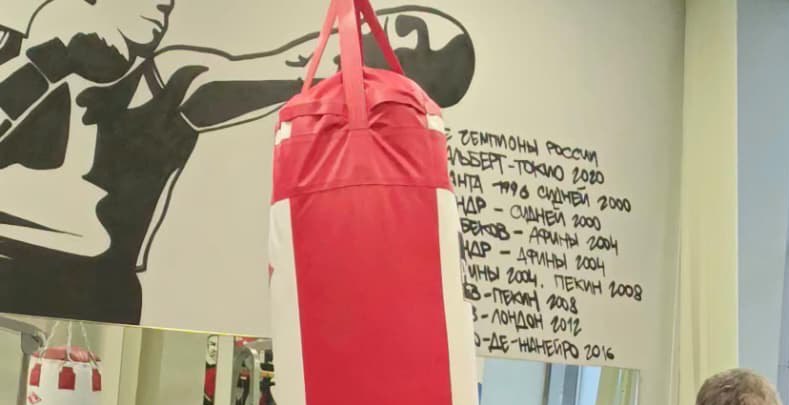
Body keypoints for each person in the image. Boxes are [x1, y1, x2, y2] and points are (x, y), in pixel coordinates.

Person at [0, 2, 475, 324]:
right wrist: (44, 61)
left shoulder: (170, 82)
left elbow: (294, 67)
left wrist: (380, 40)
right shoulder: (14, 49)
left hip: (101, 291)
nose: (160, 11)